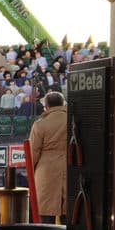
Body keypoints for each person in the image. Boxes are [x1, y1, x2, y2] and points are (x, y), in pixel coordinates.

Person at [29, 91, 67, 223]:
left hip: (46, 170)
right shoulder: (73, 120)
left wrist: (30, 171)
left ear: (47, 106)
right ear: (63, 104)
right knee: (69, 213)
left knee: (45, 214)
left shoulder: (40, 124)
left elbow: (33, 152)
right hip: (70, 168)